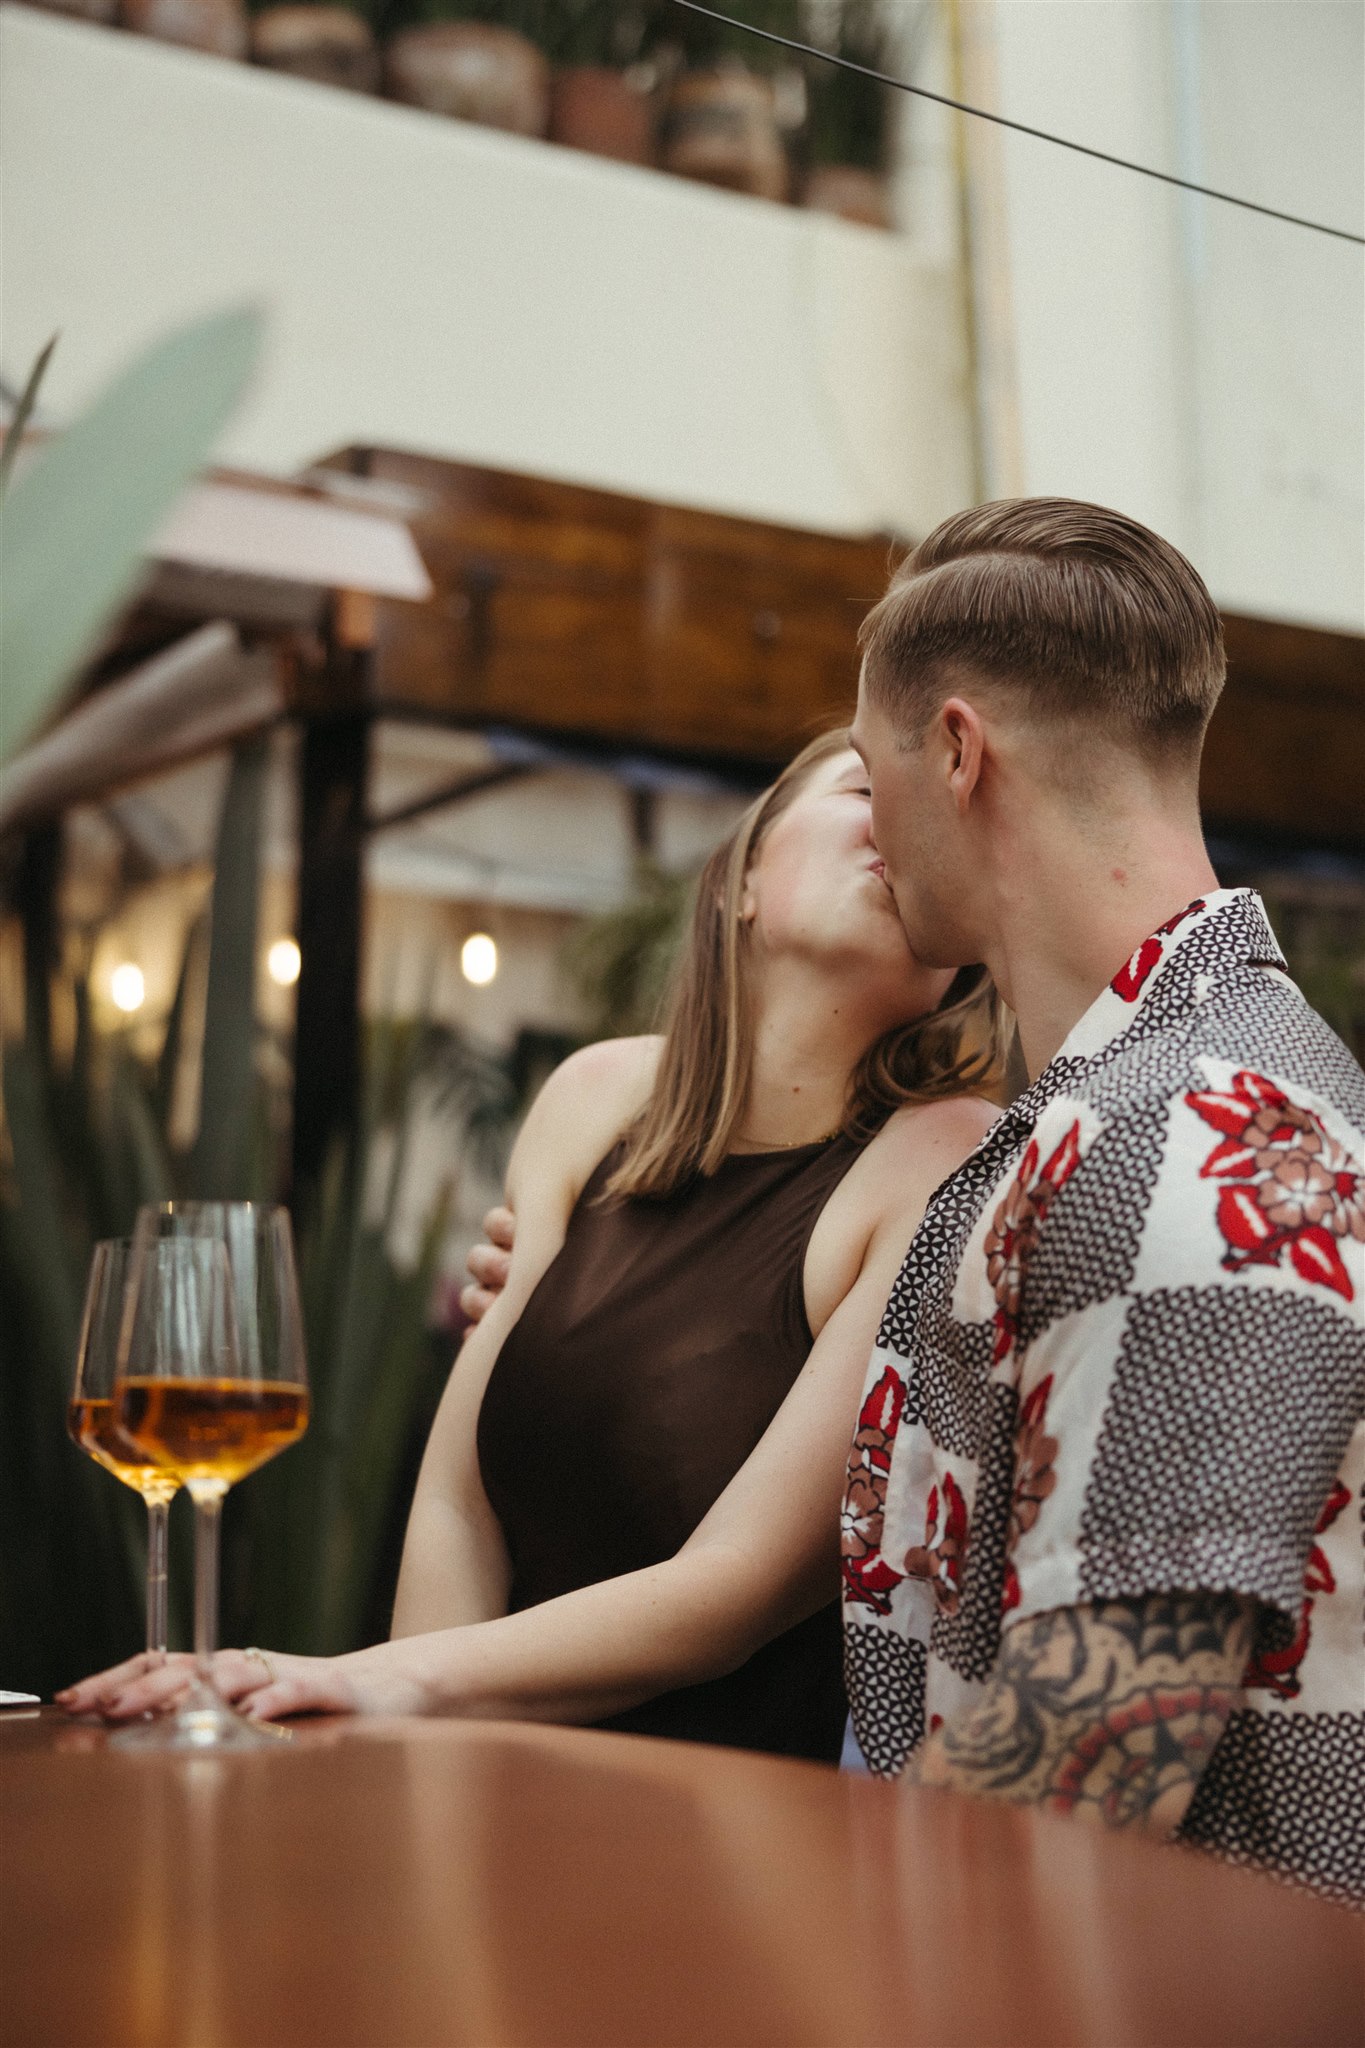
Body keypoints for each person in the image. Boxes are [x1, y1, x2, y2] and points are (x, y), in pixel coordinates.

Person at [446, 500, 1365, 1906]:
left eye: (872, 780)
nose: (879, 831)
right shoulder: (1098, 1119)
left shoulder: (1198, 1135)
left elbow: (1088, 1765)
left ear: (953, 752)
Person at [60, 732, 1005, 1759]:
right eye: (867, 789)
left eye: (934, 825)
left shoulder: (944, 1154)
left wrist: (367, 1681)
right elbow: (459, 1500)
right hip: (494, 1772)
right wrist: (422, 1772)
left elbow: (731, 1590)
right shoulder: (593, 1097)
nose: (898, 829)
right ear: (738, 875)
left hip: (731, 1825)